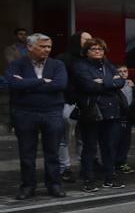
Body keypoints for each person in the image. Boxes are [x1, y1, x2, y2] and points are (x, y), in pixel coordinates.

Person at [5, 33, 67, 199]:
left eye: (49, 47)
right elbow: (13, 84)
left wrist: (27, 84)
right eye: (42, 46)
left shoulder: (57, 64)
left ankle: (54, 184)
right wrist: (43, 81)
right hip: (25, 113)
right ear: (30, 47)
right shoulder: (17, 64)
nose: (47, 50)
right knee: (26, 152)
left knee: (52, 151)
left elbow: (60, 84)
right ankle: (28, 186)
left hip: (52, 112)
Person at [71, 38, 127, 192]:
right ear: (86, 51)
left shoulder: (108, 65)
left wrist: (101, 81)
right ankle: (88, 179)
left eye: (100, 49)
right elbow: (87, 85)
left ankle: (109, 178)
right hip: (92, 112)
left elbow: (121, 82)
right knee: (89, 148)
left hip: (112, 112)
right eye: (93, 49)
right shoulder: (80, 65)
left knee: (109, 147)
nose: (97, 51)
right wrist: (110, 82)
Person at [56, 31, 90, 183]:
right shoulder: (64, 59)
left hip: (86, 104)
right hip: (68, 103)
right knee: (64, 138)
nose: (90, 41)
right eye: (86, 39)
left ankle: (85, 165)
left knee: (83, 137)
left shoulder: (89, 59)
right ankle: (65, 168)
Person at [114, 65, 135, 174]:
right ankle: (114, 163)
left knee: (125, 141)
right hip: (117, 116)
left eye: (125, 71)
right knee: (115, 141)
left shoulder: (130, 84)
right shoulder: (115, 85)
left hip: (128, 116)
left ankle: (122, 162)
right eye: (120, 71)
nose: (123, 73)